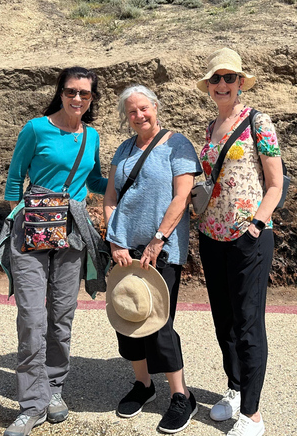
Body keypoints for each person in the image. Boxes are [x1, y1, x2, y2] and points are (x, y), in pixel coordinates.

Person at [1, 66, 109, 436]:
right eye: (71, 91)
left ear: (92, 99)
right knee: (33, 318)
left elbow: (93, 180)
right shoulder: (36, 128)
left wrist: (127, 183)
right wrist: (16, 213)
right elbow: (16, 176)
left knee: (61, 317)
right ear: (60, 92)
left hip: (72, 233)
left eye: (85, 93)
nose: (77, 98)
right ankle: (31, 405)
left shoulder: (91, 136)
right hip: (31, 231)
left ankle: (54, 389)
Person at [194, 48, 284, 436]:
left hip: (248, 237)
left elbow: (276, 183)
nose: (222, 84)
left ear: (241, 82)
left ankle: (252, 414)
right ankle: (234, 388)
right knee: (224, 321)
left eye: (229, 77)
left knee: (248, 323)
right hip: (211, 236)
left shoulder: (258, 122)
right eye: (216, 79)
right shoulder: (210, 128)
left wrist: (257, 226)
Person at [103, 85, 201, 434]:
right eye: (132, 112)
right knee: (128, 313)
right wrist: (114, 239)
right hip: (124, 250)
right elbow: (111, 196)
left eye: (144, 108)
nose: (139, 116)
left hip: (162, 248)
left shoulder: (177, 144)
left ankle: (181, 395)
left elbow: (182, 195)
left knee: (159, 321)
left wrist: (158, 240)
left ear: (155, 107)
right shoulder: (124, 149)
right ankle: (143, 385)